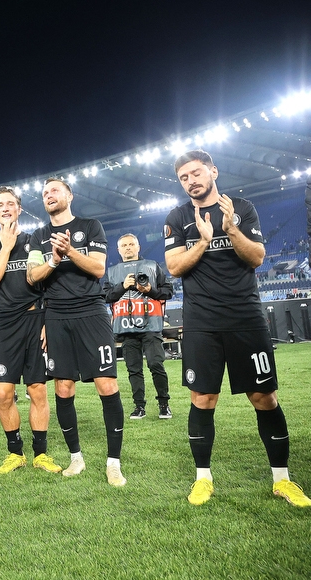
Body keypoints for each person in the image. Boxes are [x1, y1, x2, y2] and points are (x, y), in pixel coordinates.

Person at [165, 150, 309, 507]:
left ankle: (283, 480)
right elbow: (174, 267)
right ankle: (203, 479)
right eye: (184, 178)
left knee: (264, 397)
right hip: (201, 322)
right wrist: (201, 241)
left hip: (245, 317)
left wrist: (229, 230)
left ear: (213, 171)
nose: (191, 181)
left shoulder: (241, 208)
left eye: (196, 173)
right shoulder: (177, 217)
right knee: (203, 398)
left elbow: (257, 257)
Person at [26, 177, 127, 487]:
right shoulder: (38, 237)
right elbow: (32, 277)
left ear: (69, 195)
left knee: (106, 384)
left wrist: (69, 250)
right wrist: (55, 260)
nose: (48, 195)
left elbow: (98, 269)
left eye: (54, 190)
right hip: (56, 314)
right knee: (63, 387)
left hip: (91, 311)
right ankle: (76, 458)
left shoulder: (90, 226)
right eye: (44, 193)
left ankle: (113, 463)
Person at [0, 186, 61, 475]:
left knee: (37, 389)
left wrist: (48, 322)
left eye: (10, 204)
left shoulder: (35, 240)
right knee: (4, 393)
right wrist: (5, 246)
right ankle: (15, 453)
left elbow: (48, 283)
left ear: (19, 209)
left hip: (34, 321)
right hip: (2, 325)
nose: (5, 208)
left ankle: (40, 454)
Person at [104, 234, 173, 420]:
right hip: (126, 329)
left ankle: (164, 404)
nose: (128, 248)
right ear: (118, 250)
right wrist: (122, 286)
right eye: (124, 245)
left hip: (151, 325)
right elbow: (106, 296)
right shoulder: (112, 272)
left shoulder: (152, 266)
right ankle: (139, 407)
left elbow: (168, 291)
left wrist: (150, 290)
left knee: (156, 364)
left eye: (131, 244)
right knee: (133, 369)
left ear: (138, 246)